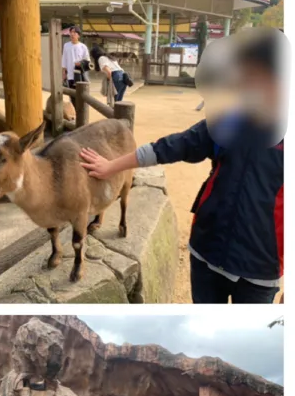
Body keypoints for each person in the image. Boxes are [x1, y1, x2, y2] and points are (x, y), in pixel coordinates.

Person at [79, 28, 284, 304]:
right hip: (206, 252)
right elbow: (175, 146)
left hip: (259, 270)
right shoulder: (229, 121)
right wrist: (112, 166)